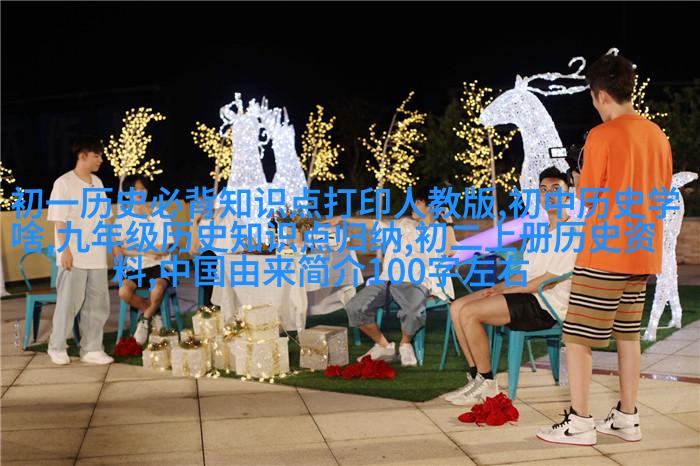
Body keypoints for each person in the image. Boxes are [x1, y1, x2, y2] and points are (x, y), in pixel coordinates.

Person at [536, 53, 673, 446]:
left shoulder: (601, 136)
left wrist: (580, 181)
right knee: (628, 336)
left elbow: (591, 198)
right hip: (642, 249)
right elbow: (661, 193)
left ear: (601, 95)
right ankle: (627, 418)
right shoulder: (657, 135)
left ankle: (579, 421)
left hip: (605, 251)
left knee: (577, 337)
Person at [443, 167, 581, 406]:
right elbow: (525, 273)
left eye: (555, 189)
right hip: (528, 294)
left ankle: (488, 383)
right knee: (457, 307)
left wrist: (506, 291)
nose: (549, 195)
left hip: (546, 304)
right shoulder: (540, 232)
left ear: (568, 195)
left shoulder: (572, 230)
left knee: (470, 312)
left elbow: (546, 280)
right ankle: (476, 378)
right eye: (543, 190)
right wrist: (499, 287)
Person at [344, 186, 458, 366]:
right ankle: (384, 346)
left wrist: (449, 222)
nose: (413, 205)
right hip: (387, 280)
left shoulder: (439, 230)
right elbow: (375, 224)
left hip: (415, 282)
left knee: (413, 311)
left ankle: (405, 344)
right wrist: (343, 219)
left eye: (418, 203)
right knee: (354, 307)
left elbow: (450, 250)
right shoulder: (403, 224)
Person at [46, 135, 115, 365]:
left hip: (97, 255)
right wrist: (65, 250)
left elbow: (105, 216)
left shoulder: (98, 183)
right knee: (68, 303)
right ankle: (57, 347)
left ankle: (91, 348)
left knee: (98, 305)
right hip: (73, 255)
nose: (101, 160)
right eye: (97, 156)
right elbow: (59, 221)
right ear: (82, 156)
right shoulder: (63, 183)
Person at [115, 174, 173, 345]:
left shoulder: (160, 215)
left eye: (142, 189)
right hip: (135, 267)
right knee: (123, 292)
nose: (139, 193)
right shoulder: (123, 219)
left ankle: (144, 321)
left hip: (159, 265)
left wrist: (134, 249)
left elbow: (163, 249)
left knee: (157, 288)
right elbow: (121, 251)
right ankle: (153, 313)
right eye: (134, 190)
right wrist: (148, 251)